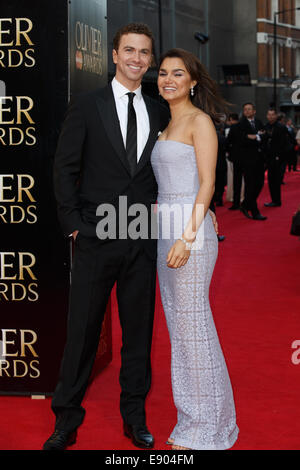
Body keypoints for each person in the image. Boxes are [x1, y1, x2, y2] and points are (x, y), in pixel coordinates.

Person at [43, 23, 171, 451]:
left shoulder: (158, 110)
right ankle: (66, 419)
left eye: (145, 52)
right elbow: (64, 168)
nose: (137, 58)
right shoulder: (87, 105)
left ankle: (134, 418)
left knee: (139, 334)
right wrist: (74, 225)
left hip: (140, 236)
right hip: (96, 236)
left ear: (150, 60)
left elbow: (162, 173)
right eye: (129, 50)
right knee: (81, 332)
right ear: (114, 55)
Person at [151, 48, 239, 450]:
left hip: (188, 236)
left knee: (193, 329)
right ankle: (196, 417)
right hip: (165, 233)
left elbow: (206, 183)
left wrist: (189, 235)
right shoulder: (167, 125)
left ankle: (206, 427)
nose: (168, 79)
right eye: (164, 73)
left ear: (193, 82)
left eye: (178, 73)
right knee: (182, 331)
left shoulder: (199, 121)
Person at [238, 103, 267, 220]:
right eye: (245, 109)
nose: (247, 111)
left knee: (259, 184)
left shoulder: (259, 122)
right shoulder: (241, 124)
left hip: (259, 160)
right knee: (250, 185)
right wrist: (252, 137)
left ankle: (245, 204)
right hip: (247, 161)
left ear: (254, 111)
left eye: (249, 109)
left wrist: (256, 137)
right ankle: (255, 212)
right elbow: (241, 140)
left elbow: (265, 136)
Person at [263, 108, 288, 207]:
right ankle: (274, 200)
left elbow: (284, 143)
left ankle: (277, 201)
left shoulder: (281, 127)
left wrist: (279, 156)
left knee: (276, 180)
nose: (271, 117)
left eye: (273, 115)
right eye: (269, 115)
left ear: (276, 116)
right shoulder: (265, 126)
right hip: (268, 157)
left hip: (278, 157)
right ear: (267, 116)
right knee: (270, 180)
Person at [226, 113, 244, 210]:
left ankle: (236, 202)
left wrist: (229, 151)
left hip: (236, 158)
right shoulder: (245, 126)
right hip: (245, 157)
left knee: (236, 180)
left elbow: (228, 141)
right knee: (245, 180)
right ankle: (244, 199)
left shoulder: (233, 128)